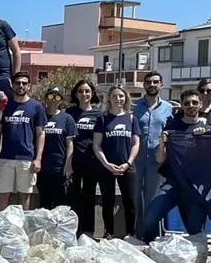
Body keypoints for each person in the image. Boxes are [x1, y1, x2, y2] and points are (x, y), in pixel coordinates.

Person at [138, 88, 211, 243]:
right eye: (187, 103)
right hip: (172, 184)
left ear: (200, 105)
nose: (191, 106)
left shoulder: (208, 130)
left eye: (194, 102)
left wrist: (204, 140)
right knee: (150, 219)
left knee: (195, 230)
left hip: (195, 187)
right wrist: (162, 143)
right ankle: (148, 247)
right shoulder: (171, 127)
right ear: (182, 106)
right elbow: (160, 159)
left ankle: (194, 256)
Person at [0, 71, 46, 211]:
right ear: (13, 85)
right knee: (3, 196)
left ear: (29, 86)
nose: (21, 85)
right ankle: (2, 223)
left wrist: (38, 159)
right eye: (18, 83)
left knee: (24, 196)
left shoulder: (36, 106)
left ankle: (23, 223)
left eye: (24, 83)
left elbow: (41, 134)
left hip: (26, 158)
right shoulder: (5, 105)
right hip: (6, 157)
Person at [92, 86, 140, 238]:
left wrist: (128, 163)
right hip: (106, 167)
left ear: (125, 98)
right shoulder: (102, 119)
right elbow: (96, 145)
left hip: (127, 167)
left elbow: (136, 144)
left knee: (130, 202)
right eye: (114, 96)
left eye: (121, 96)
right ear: (109, 99)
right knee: (108, 201)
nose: (118, 99)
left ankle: (130, 235)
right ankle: (109, 234)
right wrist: (106, 164)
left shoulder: (131, 119)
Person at [132, 71, 174, 228]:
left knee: (152, 198)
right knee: (134, 197)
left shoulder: (169, 108)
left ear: (161, 85)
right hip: (135, 159)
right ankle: (135, 232)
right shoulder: (134, 107)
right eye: (148, 82)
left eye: (155, 82)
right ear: (144, 85)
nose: (152, 85)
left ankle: (150, 233)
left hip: (157, 160)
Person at [67, 80, 104, 236]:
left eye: (87, 91)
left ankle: (88, 232)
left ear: (92, 93)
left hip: (92, 162)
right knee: (73, 197)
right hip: (74, 161)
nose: (84, 94)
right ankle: (73, 232)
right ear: (76, 94)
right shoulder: (70, 113)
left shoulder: (99, 114)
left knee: (89, 196)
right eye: (81, 91)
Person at [39, 86, 77, 210]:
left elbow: (70, 143)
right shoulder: (40, 116)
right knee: (44, 203)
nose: (53, 99)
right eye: (50, 96)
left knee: (60, 203)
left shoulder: (67, 119)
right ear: (46, 98)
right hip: (42, 167)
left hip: (60, 167)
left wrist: (68, 164)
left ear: (61, 100)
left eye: (57, 97)